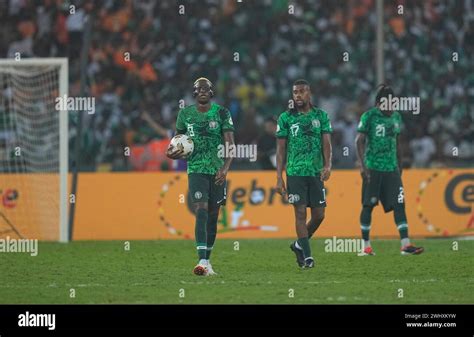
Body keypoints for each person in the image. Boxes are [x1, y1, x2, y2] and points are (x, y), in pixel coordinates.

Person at [166, 77, 235, 275]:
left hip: (217, 170)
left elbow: (230, 143)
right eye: (198, 89)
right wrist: (169, 153)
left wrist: (225, 168)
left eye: (206, 88)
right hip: (195, 168)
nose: (203, 91)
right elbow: (176, 143)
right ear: (194, 93)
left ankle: (208, 261)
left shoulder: (222, 113)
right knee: (201, 209)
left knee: (213, 215)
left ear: (211, 93)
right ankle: (201, 260)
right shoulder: (185, 114)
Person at [355, 84, 424, 256]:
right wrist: (363, 166)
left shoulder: (396, 118)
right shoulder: (369, 116)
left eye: (393, 103)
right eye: (388, 103)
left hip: (391, 169)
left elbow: (398, 142)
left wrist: (400, 166)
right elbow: (359, 141)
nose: (391, 106)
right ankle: (366, 247)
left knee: (400, 204)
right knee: (369, 205)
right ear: (379, 103)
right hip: (373, 168)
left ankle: (406, 245)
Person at [276, 79, 332, 269]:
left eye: (302, 92)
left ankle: (299, 244)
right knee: (300, 213)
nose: (298, 95)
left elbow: (326, 143)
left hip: (315, 172)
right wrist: (279, 178)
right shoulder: (285, 118)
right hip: (294, 172)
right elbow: (280, 150)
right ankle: (308, 257)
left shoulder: (321, 116)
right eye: (295, 92)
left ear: (309, 93)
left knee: (319, 215)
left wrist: (327, 165)